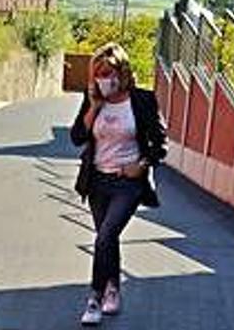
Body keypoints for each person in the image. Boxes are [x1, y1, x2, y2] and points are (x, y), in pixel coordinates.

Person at [70, 42, 167, 326]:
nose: (103, 79)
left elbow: (160, 145)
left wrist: (142, 166)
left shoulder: (142, 100)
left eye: (108, 72)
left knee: (105, 236)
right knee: (107, 239)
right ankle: (114, 287)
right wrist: (94, 107)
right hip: (97, 180)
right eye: (98, 73)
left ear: (122, 71)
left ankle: (95, 299)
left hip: (127, 183)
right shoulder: (93, 100)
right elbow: (77, 137)